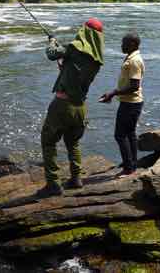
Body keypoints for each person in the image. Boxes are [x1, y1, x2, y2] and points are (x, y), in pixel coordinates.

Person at [37, 18, 105, 197]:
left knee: (49, 142)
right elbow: (75, 73)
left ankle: (53, 184)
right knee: (73, 143)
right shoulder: (96, 60)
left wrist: (52, 41)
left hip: (62, 105)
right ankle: (76, 179)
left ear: (85, 31)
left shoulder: (74, 48)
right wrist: (65, 65)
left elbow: (51, 53)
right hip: (80, 107)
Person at [100, 32, 145, 176]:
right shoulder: (131, 58)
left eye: (124, 43)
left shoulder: (134, 61)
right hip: (131, 103)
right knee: (130, 133)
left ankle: (128, 168)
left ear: (132, 44)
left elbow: (134, 86)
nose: (121, 45)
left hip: (130, 104)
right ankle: (132, 164)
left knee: (120, 135)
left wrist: (113, 93)